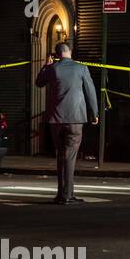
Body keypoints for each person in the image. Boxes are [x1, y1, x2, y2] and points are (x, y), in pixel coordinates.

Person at [35, 43, 99, 205]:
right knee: (70, 157)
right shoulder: (81, 68)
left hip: (56, 119)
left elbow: (39, 83)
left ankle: (61, 193)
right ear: (70, 51)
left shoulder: (52, 68)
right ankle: (67, 195)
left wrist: (46, 66)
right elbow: (90, 92)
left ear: (57, 55)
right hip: (76, 118)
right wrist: (94, 113)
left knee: (60, 155)